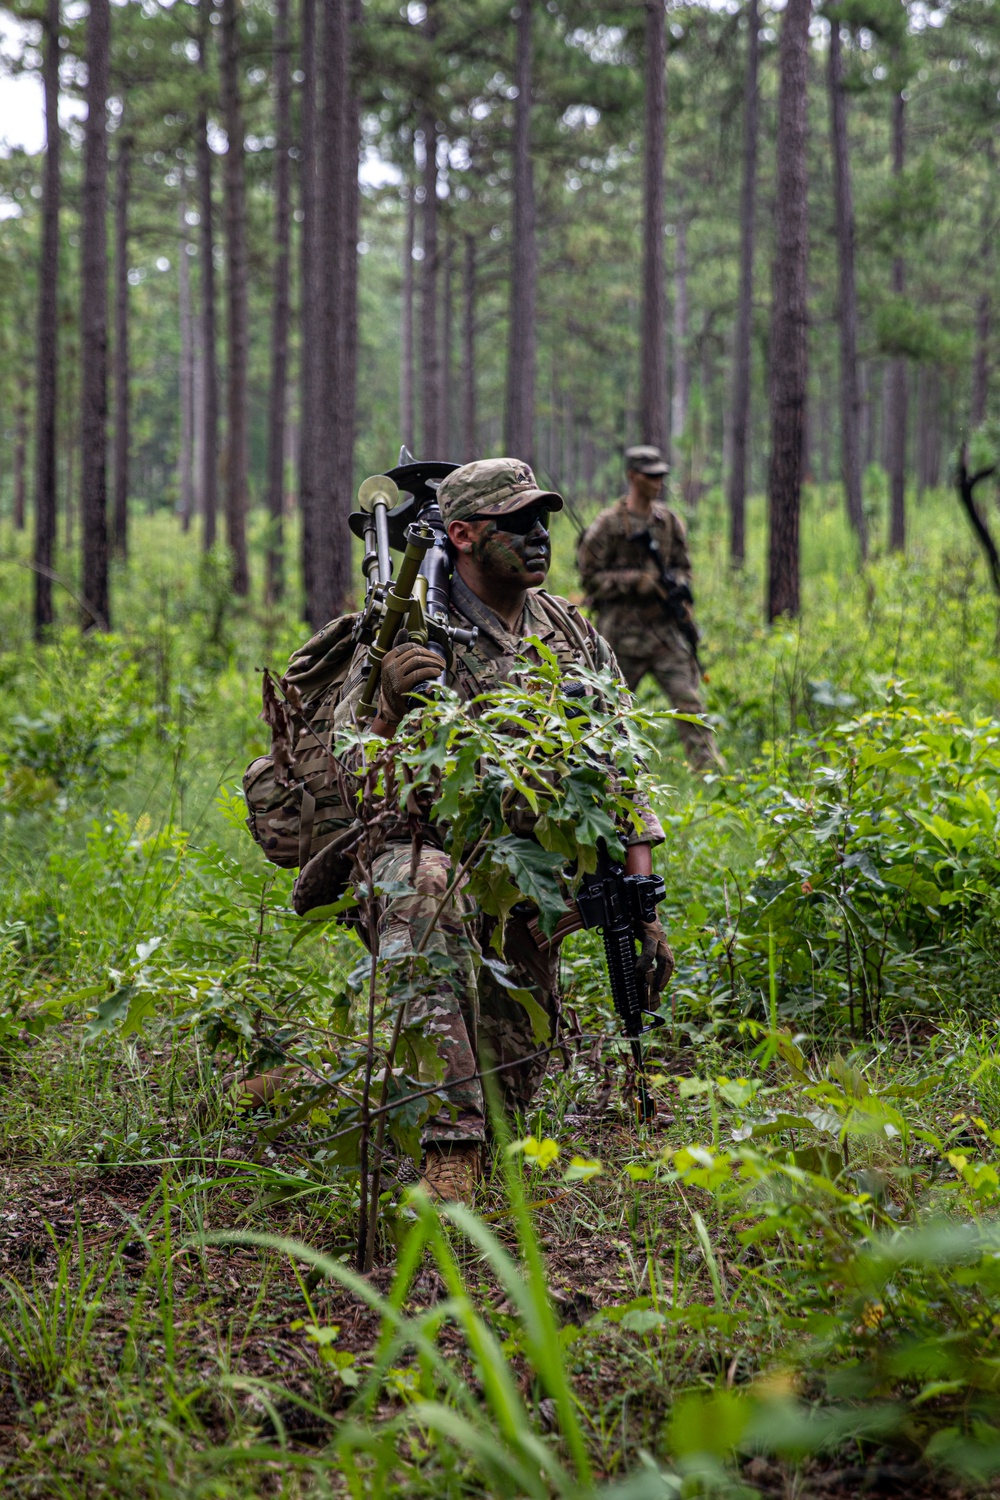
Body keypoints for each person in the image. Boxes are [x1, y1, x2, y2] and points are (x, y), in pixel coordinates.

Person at [336, 457, 672, 1204]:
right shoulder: (404, 629)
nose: (538, 536)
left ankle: (434, 1103)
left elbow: (622, 769)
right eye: (516, 523)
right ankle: (448, 1147)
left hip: (528, 883)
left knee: (508, 1102)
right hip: (423, 851)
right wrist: (387, 709)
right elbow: (357, 782)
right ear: (462, 535)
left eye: (542, 520)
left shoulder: (570, 632)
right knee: (425, 890)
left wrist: (643, 901)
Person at [576, 445, 721, 772]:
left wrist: (675, 586)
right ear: (632, 476)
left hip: (664, 633)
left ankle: (712, 775)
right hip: (621, 637)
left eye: (660, 476)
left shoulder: (668, 522)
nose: (658, 482)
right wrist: (633, 581)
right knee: (608, 710)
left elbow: (684, 567)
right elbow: (589, 579)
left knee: (690, 704)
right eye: (650, 476)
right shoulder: (608, 524)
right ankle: (605, 773)